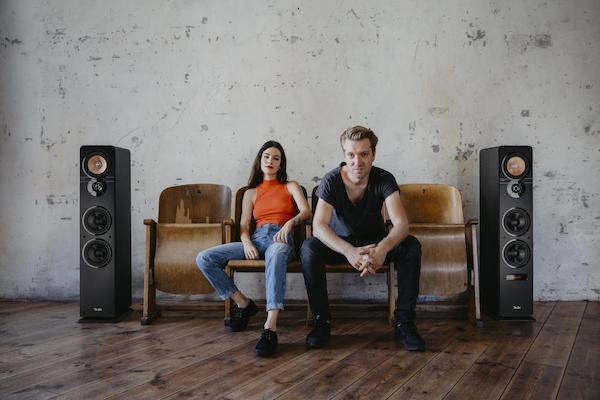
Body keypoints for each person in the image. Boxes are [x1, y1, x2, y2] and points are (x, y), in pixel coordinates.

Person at [301, 126, 425, 351]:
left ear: (374, 154)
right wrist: (348, 251)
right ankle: (322, 322)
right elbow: (318, 226)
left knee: (411, 246)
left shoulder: (384, 178)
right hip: (341, 246)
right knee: (309, 248)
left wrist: (382, 249)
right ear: (344, 155)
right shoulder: (330, 181)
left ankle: (404, 322)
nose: (357, 161)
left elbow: (401, 225)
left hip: (376, 244)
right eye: (351, 154)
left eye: (364, 154)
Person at [196, 140, 311, 357]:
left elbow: (306, 211)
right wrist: (247, 242)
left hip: (281, 238)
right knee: (205, 258)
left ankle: (270, 326)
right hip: (256, 240)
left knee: (276, 254)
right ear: (260, 160)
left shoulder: (291, 186)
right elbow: (244, 225)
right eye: (267, 156)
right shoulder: (250, 192)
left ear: (281, 164)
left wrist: (290, 223)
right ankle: (243, 303)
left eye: (276, 158)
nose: (270, 161)